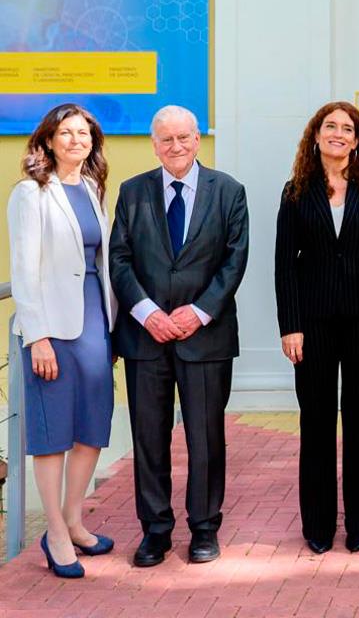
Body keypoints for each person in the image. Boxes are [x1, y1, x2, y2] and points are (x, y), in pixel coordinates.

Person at [109, 105, 250, 567]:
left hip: (205, 338)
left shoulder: (228, 191)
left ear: (197, 140)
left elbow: (235, 259)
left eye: (184, 138)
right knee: (149, 438)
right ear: (154, 144)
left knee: (206, 438)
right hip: (146, 338)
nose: (176, 147)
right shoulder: (132, 193)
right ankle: (155, 531)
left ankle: (205, 529)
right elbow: (120, 260)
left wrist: (201, 311)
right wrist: (148, 314)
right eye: (166, 140)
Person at [274, 102, 359, 555]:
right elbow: (285, 266)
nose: (338, 133)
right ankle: (319, 525)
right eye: (331, 126)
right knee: (317, 422)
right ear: (316, 135)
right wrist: (290, 326)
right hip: (313, 325)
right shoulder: (295, 192)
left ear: (357, 140)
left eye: (348, 128)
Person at [7, 104, 116, 578]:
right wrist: (39, 338)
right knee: (53, 433)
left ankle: (74, 518)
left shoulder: (91, 188)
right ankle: (53, 532)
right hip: (52, 328)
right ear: (48, 141)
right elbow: (24, 271)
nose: (76, 140)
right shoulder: (30, 194)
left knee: (92, 426)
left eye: (84, 132)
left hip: (95, 321)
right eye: (66, 132)